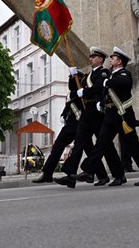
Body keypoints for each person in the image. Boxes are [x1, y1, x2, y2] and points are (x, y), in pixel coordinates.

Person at [79, 47, 139, 186]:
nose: (111, 60)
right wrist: (101, 103)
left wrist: (108, 82)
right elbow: (106, 93)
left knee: (134, 147)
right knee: (101, 143)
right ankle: (88, 169)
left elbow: (125, 83)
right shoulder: (112, 76)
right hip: (110, 116)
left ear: (119, 62)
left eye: (113, 58)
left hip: (123, 116)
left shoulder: (124, 74)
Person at [54, 47, 119, 188]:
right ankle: (70, 175)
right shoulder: (88, 75)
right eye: (90, 57)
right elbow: (74, 88)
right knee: (79, 142)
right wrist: (73, 76)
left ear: (101, 59)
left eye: (94, 57)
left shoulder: (103, 73)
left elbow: (99, 88)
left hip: (97, 111)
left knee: (106, 145)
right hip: (87, 112)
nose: (90, 59)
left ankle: (118, 174)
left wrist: (84, 91)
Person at [33, 71, 86, 183]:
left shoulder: (83, 92)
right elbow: (68, 107)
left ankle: (101, 174)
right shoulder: (71, 94)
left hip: (81, 123)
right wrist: (63, 114)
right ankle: (47, 173)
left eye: (73, 78)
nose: (71, 81)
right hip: (70, 124)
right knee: (57, 147)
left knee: (83, 149)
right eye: (70, 78)